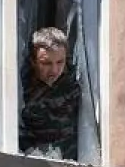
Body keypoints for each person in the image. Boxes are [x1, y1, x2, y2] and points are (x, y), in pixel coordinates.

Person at [20, 27, 81, 160]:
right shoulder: (21, 89)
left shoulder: (76, 79)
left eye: (60, 62)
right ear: (33, 62)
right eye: (46, 63)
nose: (54, 70)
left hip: (75, 161)